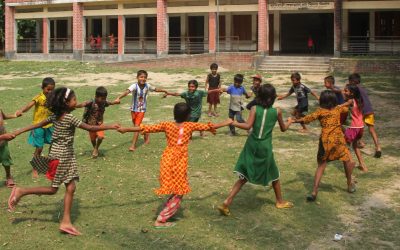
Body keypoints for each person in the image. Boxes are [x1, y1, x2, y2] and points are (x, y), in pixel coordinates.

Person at [7, 87, 120, 236]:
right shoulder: (69, 118)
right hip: (61, 158)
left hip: (64, 156)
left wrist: (17, 131)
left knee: (71, 187)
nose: (76, 102)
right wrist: (110, 126)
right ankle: (21, 191)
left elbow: (36, 124)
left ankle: (65, 222)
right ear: (66, 103)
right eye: (74, 99)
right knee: (53, 189)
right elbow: (90, 127)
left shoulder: (54, 117)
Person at [118, 102, 232, 228]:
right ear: (188, 115)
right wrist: (226, 122)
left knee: (175, 188)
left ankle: (167, 210)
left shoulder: (167, 125)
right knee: (179, 191)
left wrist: (125, 129)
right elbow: (209, 126)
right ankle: (161, 219)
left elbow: (146, 128)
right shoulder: (190, 125)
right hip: (179, 162)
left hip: (167, 160)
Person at [218, 84, 294, 216]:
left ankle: (227, 201)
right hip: (265, 147)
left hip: (252, 145)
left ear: (259, 96)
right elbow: (283, 128)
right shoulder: (277, 112)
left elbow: (248, 126)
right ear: (272, 97)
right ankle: (280, 201)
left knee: (244, 175)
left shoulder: (254, 108)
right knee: (274, 175)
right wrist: (290, 121)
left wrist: (233, 122)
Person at [294, 90, 356, 202]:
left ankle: (314, 191)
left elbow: (307, 119)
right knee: (346, 160)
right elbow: (346, 108)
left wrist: (294, 120)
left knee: (321, 165)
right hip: (338, 141)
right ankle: (349, 184)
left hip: (325, 142)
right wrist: (346, 102)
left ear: (322, 101)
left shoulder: (320, 112)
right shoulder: (338, 109)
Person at [115, 70, 168, 151]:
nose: (143, 79)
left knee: (136, 127)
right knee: (137, 126)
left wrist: (164, 90)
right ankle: (146, 132)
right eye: (141, 77)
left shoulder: (147, 86)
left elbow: (155, 89)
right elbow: (127, 92)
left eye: (144, 77)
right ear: (137, 77)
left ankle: (133, 146)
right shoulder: (134, 86)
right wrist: (118, 97)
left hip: (142, 110)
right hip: (133, 109)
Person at [16, 77, 56, 178]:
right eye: (48, 89)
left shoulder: (53, 98)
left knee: (54, 144)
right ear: (42, 88)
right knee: (39, 148)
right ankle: (35, 167)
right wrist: (21, 110)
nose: (50, 91)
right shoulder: (39, 97)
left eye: (52, 89)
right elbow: (30, 104)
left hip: (50, 125)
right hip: (38, 126)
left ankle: (49, 163)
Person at [76, 86, 119, 158]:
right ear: (96, 96)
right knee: (93, 140)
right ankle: (95, 149)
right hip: (91, 125)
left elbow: (110, 103)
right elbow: (83, 104)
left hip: (99, 124)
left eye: (105, 98)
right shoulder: (91, 102)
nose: (104, 100)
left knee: (100, 137)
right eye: (102, 98)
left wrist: (115, 102)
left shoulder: (104, 102)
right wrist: (74, 106)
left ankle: (96, 149)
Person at [348, 73, 381, 158]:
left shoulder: (355, 90)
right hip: (369, 110)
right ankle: (378, 147)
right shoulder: (363, 89)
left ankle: (360, 142)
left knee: (358, 127)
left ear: (352, 81)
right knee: (371, 129)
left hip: (361, 111)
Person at [341, 83, 368, 172]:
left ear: (351, 93)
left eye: (346, 91)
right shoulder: (359, 101)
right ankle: (362, 165)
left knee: (345, 147)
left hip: (353, 128)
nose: (344, 92)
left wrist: (335, 107)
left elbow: (342, 106)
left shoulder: (351, 101)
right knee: (355, 145)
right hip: (360, 127)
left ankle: (351, 164)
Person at [0, 109, 20, 188]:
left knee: (5, 158)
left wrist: (14, 115)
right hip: (3, 138)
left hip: (3, 143)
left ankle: (8, 177)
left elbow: (4, 117)